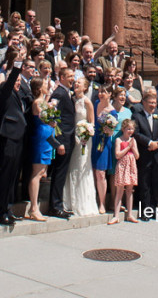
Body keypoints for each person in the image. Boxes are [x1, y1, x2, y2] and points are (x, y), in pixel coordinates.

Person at [0, 57, 34, 225]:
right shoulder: (5, 91)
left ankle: (7, 208)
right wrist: (17, 66)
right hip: (8, 138)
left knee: (12, 177)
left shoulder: (18, 95)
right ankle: (0, 211)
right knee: (5, 175)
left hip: (19, 139)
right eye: (16, 80)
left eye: (19, 81)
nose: (18, 83)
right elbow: (9, 82)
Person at [63, 74, 98, 216]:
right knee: (72, 167)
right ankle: (70, 201)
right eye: (75, 82)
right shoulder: (71, 98)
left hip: (83, 139)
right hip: (72, 137)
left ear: (85, 87)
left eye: (79, 83)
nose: (76, 84)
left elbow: (92, 122)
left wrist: (86, 133)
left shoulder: (87, 102)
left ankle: (82, 202)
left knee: (81, 166)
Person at [131, 88, 158, 220]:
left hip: (157, 155)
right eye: (150, 102)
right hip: (145, 154)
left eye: (154, 103)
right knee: (144, 184)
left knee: (155, 183)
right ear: (144, 102)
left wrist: (157, 143)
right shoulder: (137, 116)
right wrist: (149, 143)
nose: (153, 105)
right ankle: (145, 211)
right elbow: (136, 133)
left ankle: (154, 210)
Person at [27, 76, 57, 221]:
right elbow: (44, 118)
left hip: (47, 138)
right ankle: (33, 207)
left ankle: (35, 205)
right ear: (39, 88)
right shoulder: (38, 103)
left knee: (42, 172)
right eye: (45, 84)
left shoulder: (44, 101)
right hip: (40, 138)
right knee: (37, 173)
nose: (48, 86)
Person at [47, 66, 76, 218]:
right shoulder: (59, 93)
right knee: (59, 173)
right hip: (63, 139)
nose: (73, 78)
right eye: (70, 76)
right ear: (62, 77)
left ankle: (58, 203)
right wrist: (59, 142)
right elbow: (53, 116)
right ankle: (55, 206)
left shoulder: (66, 92)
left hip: (68, 137)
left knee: (62, 173)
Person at [91, 85, 116, 214]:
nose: (101, 94)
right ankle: (92, 199)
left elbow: (111, 132)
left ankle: (102, 203)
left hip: (103, 142)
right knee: (93, 171)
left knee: (101, 173)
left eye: (104, 92)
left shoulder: (112, 112)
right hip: (92, 140)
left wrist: (108, 130)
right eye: (100, 91)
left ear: (110, 94)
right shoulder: (96, 103)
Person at [109, 118, 139, 224]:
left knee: (130, 190)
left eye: (132, 129)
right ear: (123, 129)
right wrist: (128, 147)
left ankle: (130, 214)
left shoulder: (133, 140)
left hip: (131, 165)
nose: (130, 131)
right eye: (128, 129)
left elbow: (137, 156)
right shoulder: (119, 140)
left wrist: (133, 147)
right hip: (122, 165)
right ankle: (116, 215)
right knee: (120, 190)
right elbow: (117, 155)